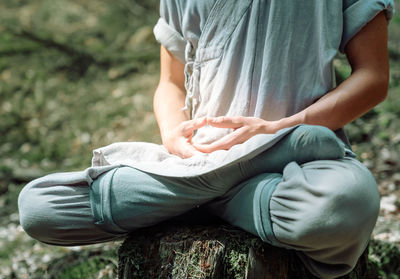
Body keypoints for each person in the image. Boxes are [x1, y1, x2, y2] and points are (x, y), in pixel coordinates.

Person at [18, 0, 395, 278]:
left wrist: (280, 130)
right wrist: (172, 135)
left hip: (295, 166)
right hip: (199, 162)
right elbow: (170, 83)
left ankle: (204, 195)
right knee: (39, 206)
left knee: (342, 207)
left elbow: (374, 77)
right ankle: (221, 185)